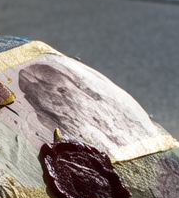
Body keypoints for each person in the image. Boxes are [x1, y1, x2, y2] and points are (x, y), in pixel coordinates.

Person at [17, 58, 158, 154]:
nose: (55, 99)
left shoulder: (105, 108)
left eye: (62, 90)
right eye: (39, 94)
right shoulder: (44, 127)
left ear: (76, 86)